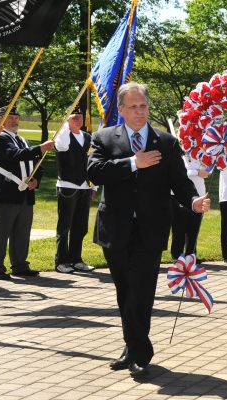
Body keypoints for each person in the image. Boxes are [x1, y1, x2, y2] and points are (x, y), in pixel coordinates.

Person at [87, 82, 210, 379]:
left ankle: (141, 354)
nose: (139, 112)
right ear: (121, 110)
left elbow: (180, 182)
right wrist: (133, 162)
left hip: (150, 230)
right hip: (115, 228)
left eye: (143, 106)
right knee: (124, 291)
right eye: (133, 107)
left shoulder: (165, 142)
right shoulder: (103, 138)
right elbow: (93, 171)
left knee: (141, 291)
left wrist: (193, 202)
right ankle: (132, 345)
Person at [0, 106, 55, 280]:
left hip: (26, 195)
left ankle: (20, 265)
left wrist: (37, 180)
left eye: (16, 117)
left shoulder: (23, 140)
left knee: (22, 232)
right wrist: (40, 148)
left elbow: (38, 163)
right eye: (10, 117)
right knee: (1, 233)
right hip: (6, 193)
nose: (14, 120)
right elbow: (14, 155)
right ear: (0, 120)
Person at [54, 106, 96, 273]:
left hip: (85, 186)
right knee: (64, 226)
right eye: (73, 117)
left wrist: (94, 186)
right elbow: (63, 147)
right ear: (66, 119)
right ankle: (61, 261)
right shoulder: (62, 136)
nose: (77, 119)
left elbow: (93, 161)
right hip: (67, 186)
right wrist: (65, 124)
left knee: (80, 226)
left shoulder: (87, 137)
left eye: (79, 116)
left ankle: (75, 259)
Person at [170, 155, 208, 260]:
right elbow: (179, 172)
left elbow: (207, 172)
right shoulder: (179, 152)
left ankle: (191, 255)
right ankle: (177, 256)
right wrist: (197, 172)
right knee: (179, 228)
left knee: (194, 228)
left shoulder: (201, 153)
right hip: (180, 195)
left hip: (199, 194)